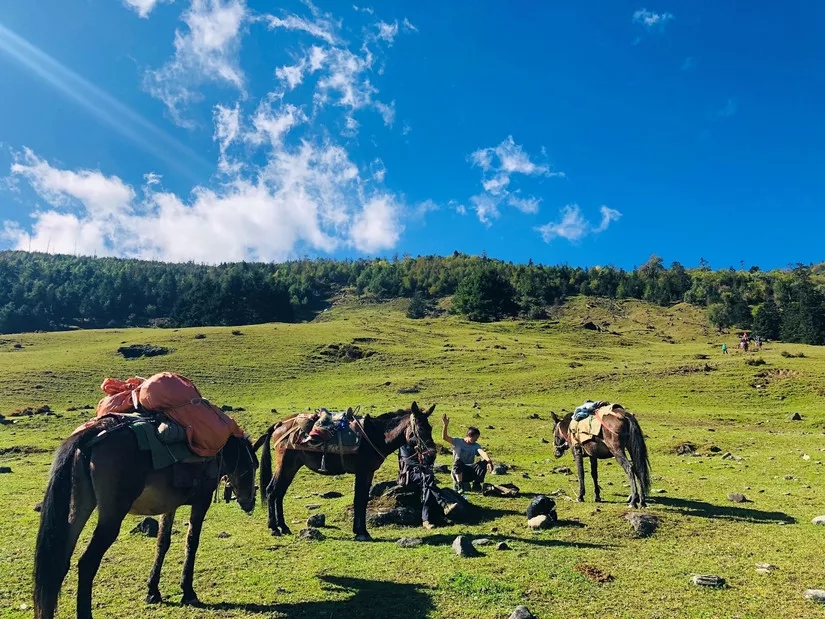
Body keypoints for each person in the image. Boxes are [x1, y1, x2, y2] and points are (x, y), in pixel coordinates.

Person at [397, 438, 457, 529]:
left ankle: (426, 520)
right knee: (428, 479)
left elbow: (428, 462)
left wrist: (430, 455)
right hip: (409, 475)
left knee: (428, 487)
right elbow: (408, 462)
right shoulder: (403, 446)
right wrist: (423, 464)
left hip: (422, 474)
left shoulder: (419, 446)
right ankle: (443, 504)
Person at [441, 414, 494, 493]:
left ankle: (476, 485)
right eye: (475, 438)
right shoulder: (457, 441)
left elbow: (482, 452)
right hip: (458, 472)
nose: (476, 440)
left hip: (469, 471)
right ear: (469, 435)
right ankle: (460, 484)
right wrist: (445, 425)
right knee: (458, 461)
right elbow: (445, 437)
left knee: (484, 462)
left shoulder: (476, 446)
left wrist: (489, 461)